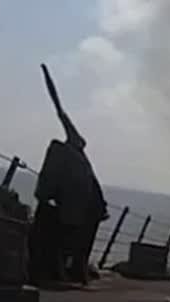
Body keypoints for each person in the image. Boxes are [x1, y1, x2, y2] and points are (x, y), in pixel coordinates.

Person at [38, 64, 109, 286]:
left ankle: (76, 270)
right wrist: (48, 79)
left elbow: (61, 112)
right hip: (81, 205)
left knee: (80, 241)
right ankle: (68, 270)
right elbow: (60, 111)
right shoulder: (70, 155)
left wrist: (49, 80)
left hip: (89, 204)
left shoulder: (76, 155)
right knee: (71, 239)